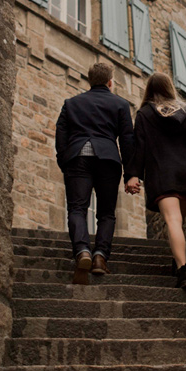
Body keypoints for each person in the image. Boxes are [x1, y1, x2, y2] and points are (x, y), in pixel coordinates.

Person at [125, 72, 186, 290]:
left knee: (173, 222)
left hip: (163, 175)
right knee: (178, 223)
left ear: (149, 90)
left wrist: (132, 174)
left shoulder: (144, 114)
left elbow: (140, 147)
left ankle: (183, 271)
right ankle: (177, 262)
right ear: (169, 87)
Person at [55, 62, 134, 285]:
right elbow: (128, 140)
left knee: (77, 208)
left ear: (90, 81)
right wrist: (130, 174)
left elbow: (61, 135)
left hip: (78, 158)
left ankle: (82, 252)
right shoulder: (120, 104)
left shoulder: (71, 103)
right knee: (107, 213)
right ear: (110, 82)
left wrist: (65, 160)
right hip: (108, 159)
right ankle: (100, 257)